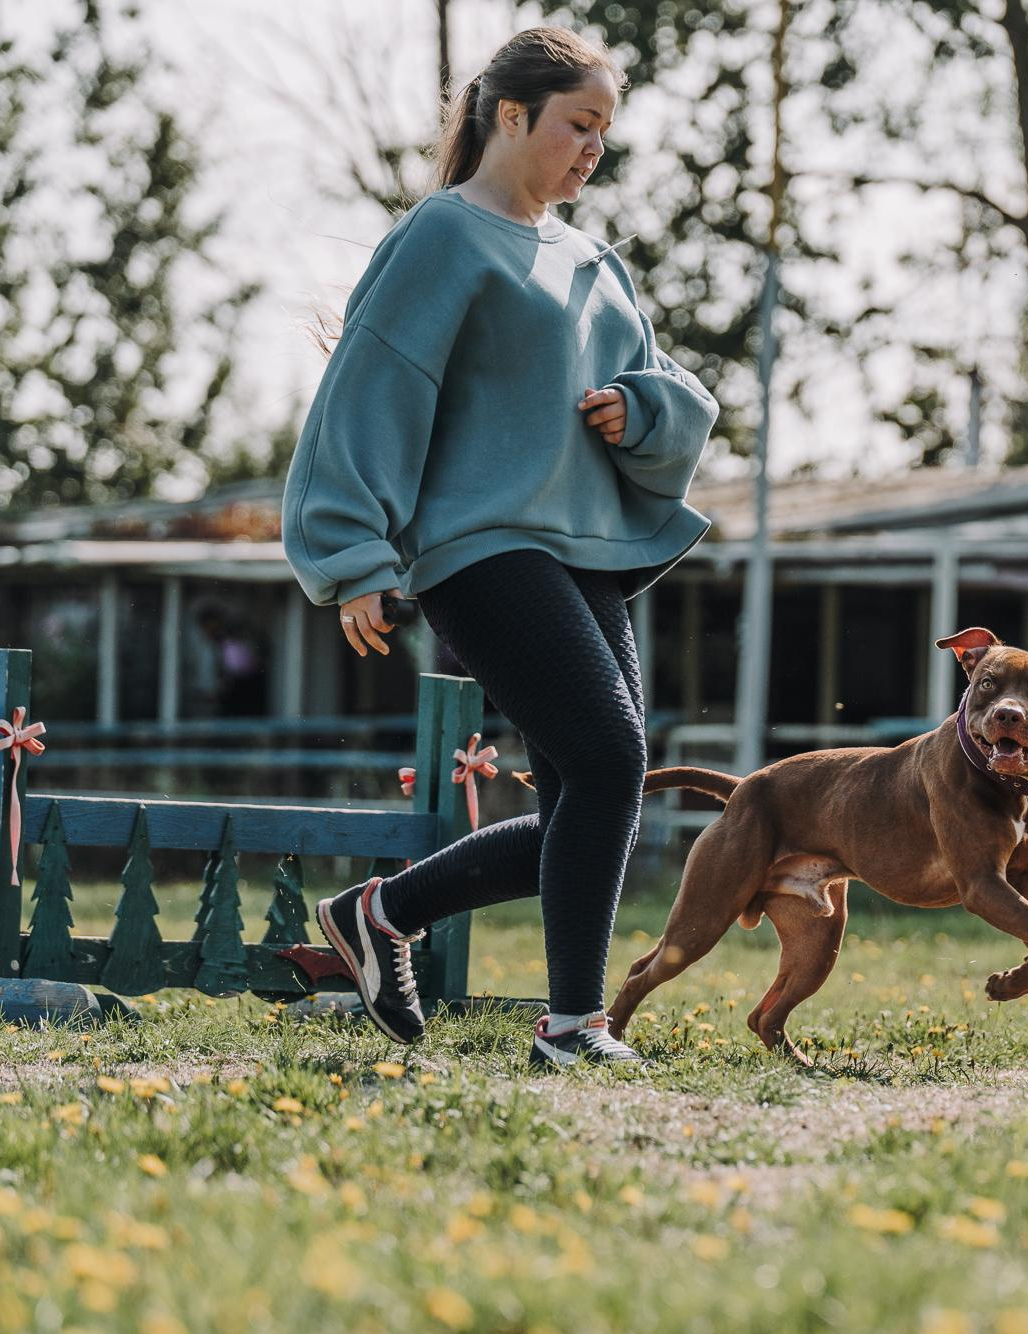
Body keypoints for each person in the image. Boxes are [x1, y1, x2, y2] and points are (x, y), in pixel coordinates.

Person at [279, 27, 718, 1067]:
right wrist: (355, 554)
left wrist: (638, 412)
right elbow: (370, 391)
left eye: (605, 133)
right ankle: (571, 1027)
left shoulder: (594, 261)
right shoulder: (443, 234)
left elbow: (662, 393)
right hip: (479, 548)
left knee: (595, 795)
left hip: (584, 548)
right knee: (613, 759)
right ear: (509, 116)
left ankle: (382, 913)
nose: (594, 149)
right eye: (580, 124)